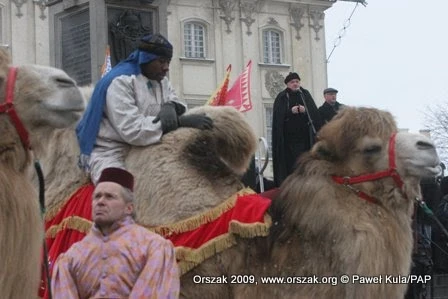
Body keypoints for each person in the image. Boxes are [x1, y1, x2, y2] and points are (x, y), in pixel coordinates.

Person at [76, 33, 213, 184]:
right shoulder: (121, 82)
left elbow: (175, 99)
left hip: (147, 146)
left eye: (168, 62)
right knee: (117, 188)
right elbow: (132, 130)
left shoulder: (161, 81)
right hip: (112, 151)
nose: (166, 67)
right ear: (146, 59)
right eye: (161, 61)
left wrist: (171, 106)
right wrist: (179, 122)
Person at [51, 167, 180, 298]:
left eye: (109, 197)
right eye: (97, 197)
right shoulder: (72, 256)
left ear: (129, 208)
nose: (100, 202)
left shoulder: (153, 246)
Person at [271, 72, 322, 187]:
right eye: (292, 82)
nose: (295, 84)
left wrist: (305, 111)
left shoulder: (305, 94)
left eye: (297, 81)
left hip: (305, 140)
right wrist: (290, 112)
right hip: (288, 143)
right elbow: (278, 118)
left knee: (306, 164)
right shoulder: (282, 97)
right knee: (292, 167)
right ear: (287, 84)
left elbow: (314, 115)